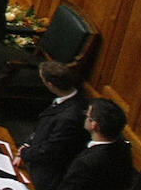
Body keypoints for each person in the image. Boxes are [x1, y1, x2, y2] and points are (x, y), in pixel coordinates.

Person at [19, 62, 89, 190]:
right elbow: (43, 128)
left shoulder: (69, 118)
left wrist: (25, 153)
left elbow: (51, 151)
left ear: (50, 85)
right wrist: (27, 144)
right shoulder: (71, 98)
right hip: (37, 151)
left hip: (47, 173)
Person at [58, 99, 135, 190]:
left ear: (94, 125)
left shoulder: (85, 164)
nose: (85, 116)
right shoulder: (124, 148)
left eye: (87, 115)